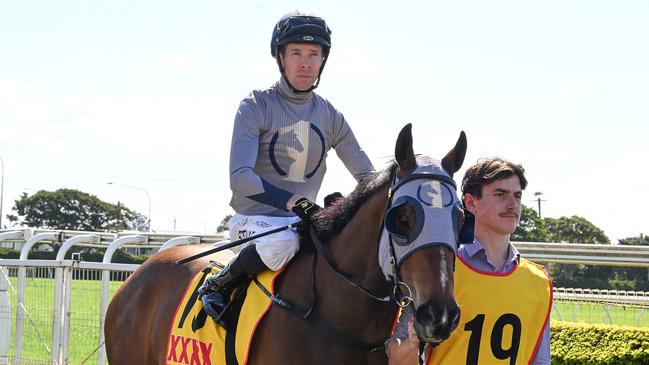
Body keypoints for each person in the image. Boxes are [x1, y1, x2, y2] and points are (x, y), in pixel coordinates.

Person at [198, 10, 374, 324]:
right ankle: (221, 282)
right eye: (296, 53)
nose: (305, 63)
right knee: (284, 243)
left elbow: (366, 177)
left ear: (323, 60)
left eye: (313, 54)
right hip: (253, 221)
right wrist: (292, 201)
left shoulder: (331, 117)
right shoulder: (255, 106)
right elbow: (240, 178)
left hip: (301, 224)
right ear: (281, 57)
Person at [387, 157, 552, 364]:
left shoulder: (539, 282)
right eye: (500, 194)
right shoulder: (438, 271)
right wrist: (413, 344)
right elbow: (396, 359)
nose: (512, 204)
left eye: (517, 196)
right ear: (470, 202)